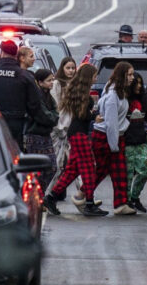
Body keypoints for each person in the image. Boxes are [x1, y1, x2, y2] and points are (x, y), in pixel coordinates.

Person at [42, 63, 108, 217]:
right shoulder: (84, 95)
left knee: (72, 170)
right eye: (94, 75)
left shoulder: (77, 91)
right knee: (89, 169)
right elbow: (83, 116)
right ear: (88, 77)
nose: (96, 78)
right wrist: (94, 117)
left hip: (75, 133)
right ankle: (89, 203)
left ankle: (50, 197)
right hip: (80, 135)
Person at [0, 39, 55, 147]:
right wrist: (48, 122)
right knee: (14, 155)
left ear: (2, 53)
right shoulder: (25, 76)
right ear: (16, 54)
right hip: (17, 126)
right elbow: (36, 105)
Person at [87, 61, 136, 215]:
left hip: (114, 137)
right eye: (129, 74)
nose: (132, 78)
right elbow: (111, 123)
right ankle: (83, 193)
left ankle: (120, 204)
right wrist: (113, 145)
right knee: (101, 170)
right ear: (122, 75)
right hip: (106, 137)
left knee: (119, 170)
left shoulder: (118, 91)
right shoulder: (113, 95)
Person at [124, 72, 147, 213]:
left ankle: (135, 196)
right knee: (127, 173)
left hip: (140, 139)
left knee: (145, 169)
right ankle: (126, 201)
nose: (139, 86)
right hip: (126, 140)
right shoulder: (123, 99)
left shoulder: (144, 99)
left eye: (140, 83)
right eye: (136, 83)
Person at [24, 68, 59, 190]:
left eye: (52, 80)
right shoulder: (36, 97)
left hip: (46, 135)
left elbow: (55, 112)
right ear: (40, 82)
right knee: (36, 170)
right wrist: (53, 117)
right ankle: (36, 195)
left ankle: (40, 193)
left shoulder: (49, 96)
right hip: (35, 136)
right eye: (49, 80)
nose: (51, 83)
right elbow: (45, 116)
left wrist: (53, 117)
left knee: (52, 168)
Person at [48, 56, 77, 200]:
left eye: (73, 68)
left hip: (72, 128)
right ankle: (50, 194)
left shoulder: (76, 84)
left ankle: (81, 194)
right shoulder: (57, 84)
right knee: (58, 163)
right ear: (62, 68)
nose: (71, 71)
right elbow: (55, 105)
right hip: (59, 128)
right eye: (68, 68)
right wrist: (58, 126)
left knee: (74, 162)